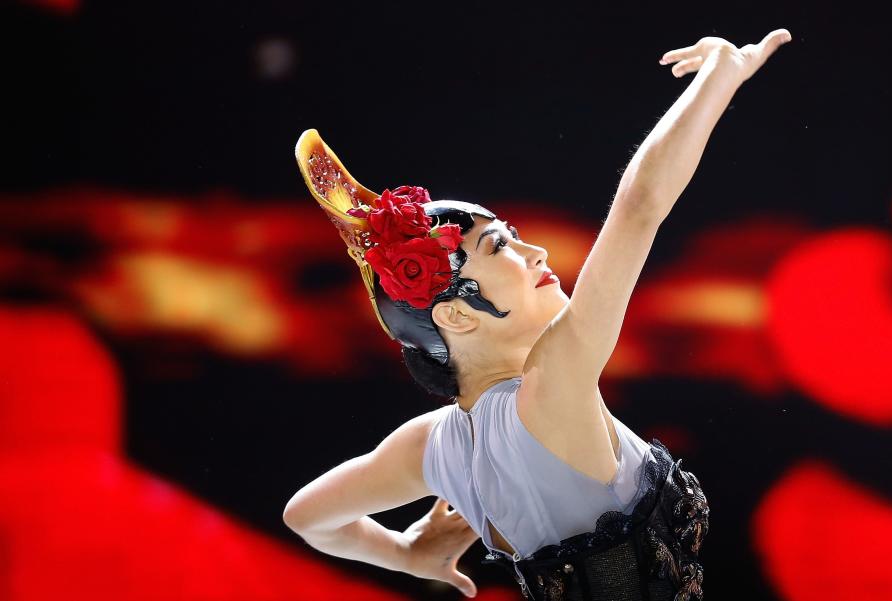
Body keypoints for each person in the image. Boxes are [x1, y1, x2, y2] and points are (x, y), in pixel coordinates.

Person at [283, 29, 792, 600]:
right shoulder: (551, 386)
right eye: (500, 247)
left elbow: (306, 516)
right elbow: (641, 207)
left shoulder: (432, 446)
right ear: (456, 316)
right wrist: (720, 74)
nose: (537, 253)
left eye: (515, 237)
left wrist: (406, 553)